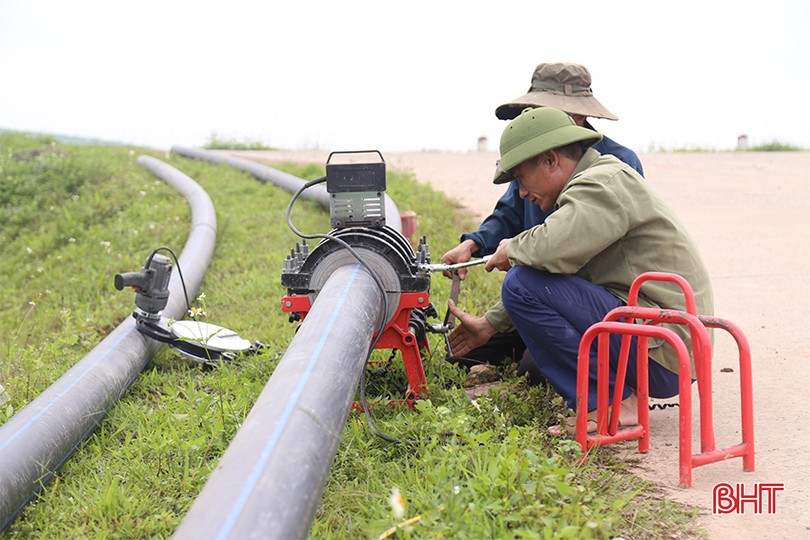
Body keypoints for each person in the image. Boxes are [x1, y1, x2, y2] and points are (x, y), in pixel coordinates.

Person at [446, 107, 713, 434]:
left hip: (664, 347)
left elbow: (546, 250)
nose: (522, 193)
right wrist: (490, 325)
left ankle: (609, 406)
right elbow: (561, 277)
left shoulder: (600, 184)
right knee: (524, 284)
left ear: (549, 160)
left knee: (519, 282)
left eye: (520, 179)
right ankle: (618, 401)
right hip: (664, 341)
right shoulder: (592, 185)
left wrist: (510, 249)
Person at [442, 62, 645, 371]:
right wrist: (474, 244)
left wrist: (517, 255)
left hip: (583, 296)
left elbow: (575, 251)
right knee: (462, 354)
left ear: (578, 116)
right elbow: (509, 211)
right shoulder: (534, 159)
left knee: (534, 367)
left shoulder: (616, 163)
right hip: (536, 289)